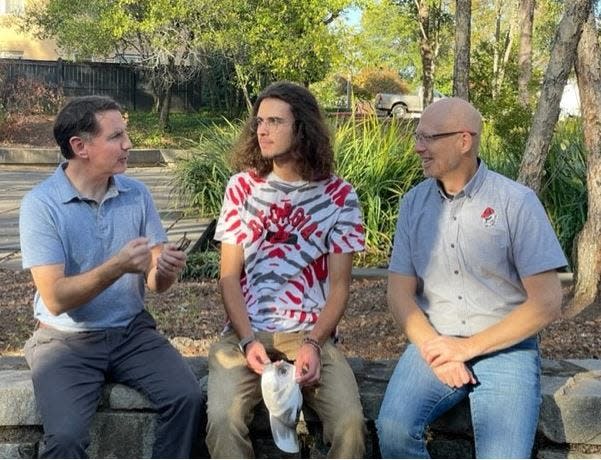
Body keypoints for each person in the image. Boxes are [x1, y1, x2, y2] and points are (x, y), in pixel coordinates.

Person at [377, 97, 567, 458]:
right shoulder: (413, 205)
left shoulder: (516, 202)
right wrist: (439, 350)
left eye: (429, 138)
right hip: (434, 343)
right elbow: (398, 294)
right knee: (394, 430)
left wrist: (465, 349)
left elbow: (547, 301)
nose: (419, 147)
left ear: (464, 141)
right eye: (419, 136)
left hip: (508, 348)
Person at [19, 95, 206, 458]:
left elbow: (155, 282)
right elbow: (55, 298)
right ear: (80, 146)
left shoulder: (136, 194)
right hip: (64, 342)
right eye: (116, 136)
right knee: (67, 439)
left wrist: (162, 270)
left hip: (131, 333)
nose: (128, 145)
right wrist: (117, 266)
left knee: (188, 398)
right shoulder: (40, 205)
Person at [206, 81, 367, 458]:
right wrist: (247, 342)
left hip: (311, 336)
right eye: (259, 121)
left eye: (275, 121)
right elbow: (229, 277)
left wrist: (313, 342)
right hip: (246, 334)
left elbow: (340, 287)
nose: (261, 130)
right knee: (222, 419)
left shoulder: (340, 196)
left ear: (303, 127)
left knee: (350, 425)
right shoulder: (241, 188)